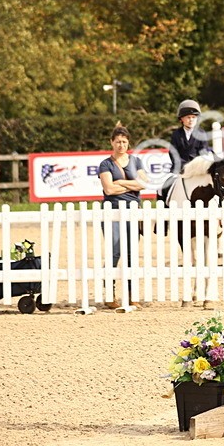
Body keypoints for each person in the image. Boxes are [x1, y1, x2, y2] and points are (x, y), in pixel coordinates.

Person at [98, 124, 147, 309]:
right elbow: (108, 189)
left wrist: (122, 182)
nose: (121, 145)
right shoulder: (106, 164)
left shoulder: (136, 161)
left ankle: (131, 294)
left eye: (124, 142)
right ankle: (109, 294)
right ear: (111, 142)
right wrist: (131, 185)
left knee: (131, 252)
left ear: (129, 143)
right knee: (115, 250)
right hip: (113, 210)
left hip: (133, 210)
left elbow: (143, 184)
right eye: (117, 141)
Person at [169, 99, 210, 174]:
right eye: (188, 117)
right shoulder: (176, 134)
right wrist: (184, 166)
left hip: (197, 170)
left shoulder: (202, 133)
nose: (191, 120)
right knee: (167, 184)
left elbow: (203, 153)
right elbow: (173, 154)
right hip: (179, 170)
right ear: (181, 119)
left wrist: (193, 166)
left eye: (193, 117)